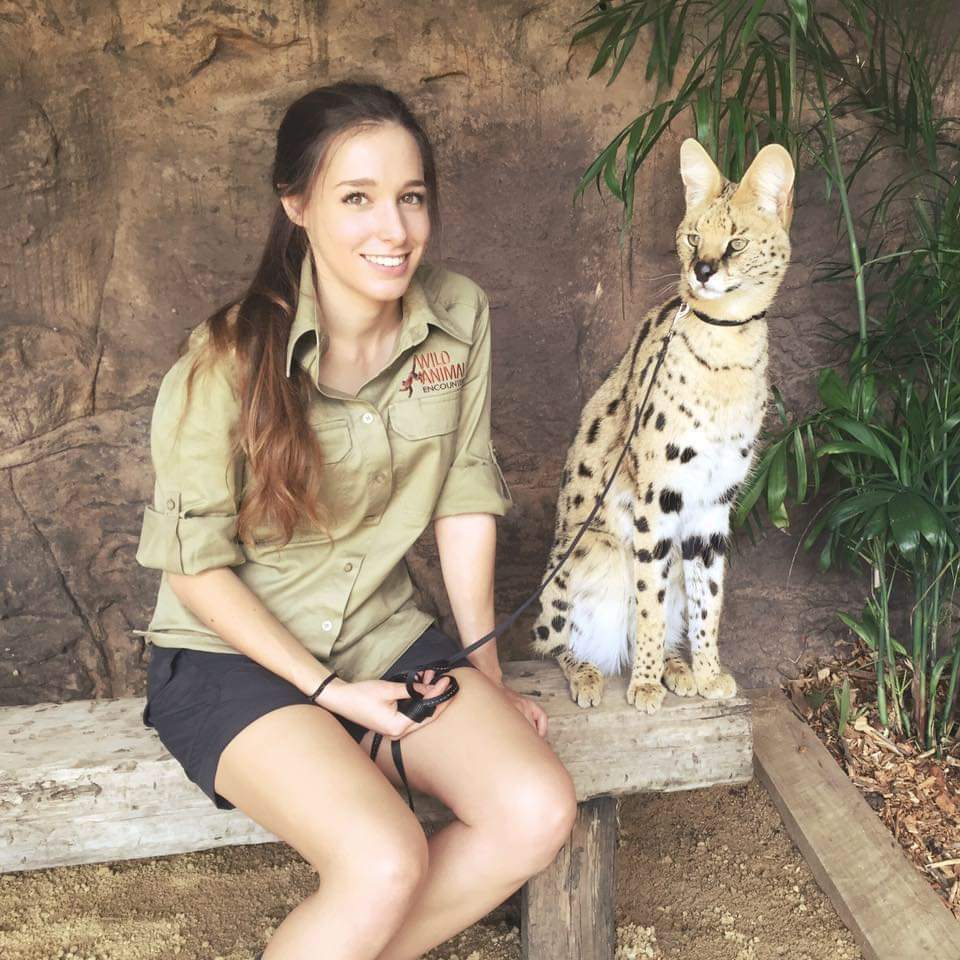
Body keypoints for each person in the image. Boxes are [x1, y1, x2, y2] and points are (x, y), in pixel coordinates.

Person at [135, 81, 578, 960]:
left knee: (536, 810)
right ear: (296, 206)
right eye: (357, 198)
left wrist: (485, 671)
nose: (395, 229)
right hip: (232, 660)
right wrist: (329, 694)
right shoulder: (221, 361)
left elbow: (461, 497)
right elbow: (193, 568)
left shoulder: (460, 318)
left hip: (381, 636)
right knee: (383, 860)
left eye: (411, 197)